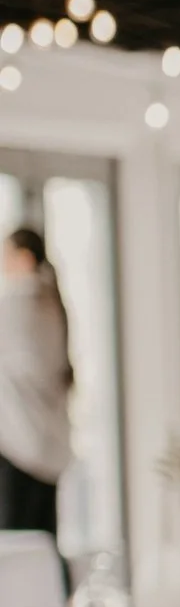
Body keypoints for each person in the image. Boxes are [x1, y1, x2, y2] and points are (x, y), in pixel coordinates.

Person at [0, 221, 73, 537]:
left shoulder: (17, 304)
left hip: (19, 442)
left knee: (17, 548)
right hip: (48, 443)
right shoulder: (52, 304)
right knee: (44, 538)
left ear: (25, 258)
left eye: (7, 257)